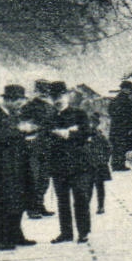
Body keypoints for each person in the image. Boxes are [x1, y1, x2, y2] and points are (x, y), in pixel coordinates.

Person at [0, 84, 39, 251]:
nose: (20, 106)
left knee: (17, 201)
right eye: (18, 103)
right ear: (8, 100)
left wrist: (27, 136)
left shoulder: (14, 116)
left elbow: (16, 136)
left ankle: (16, 235)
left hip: (16, 165)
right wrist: (21, 132)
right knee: (0, 204)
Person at [46, 88, 94, 243]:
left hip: (79, 164)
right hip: (58, 165)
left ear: (66, 96)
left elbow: (87, 132)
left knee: (81, 197)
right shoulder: (49, 116)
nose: (58, 99)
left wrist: (68, 133)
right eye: (54, 96)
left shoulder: (79, 114)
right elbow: (44, 138)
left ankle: (83, 232)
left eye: (60, 95)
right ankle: (66, 233)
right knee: (62, 200)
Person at [21, 80, 58, 218]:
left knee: (44, 178)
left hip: (47, 146)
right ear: (36, 91)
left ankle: (39, 204)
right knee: (33, 177)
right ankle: (32, 208)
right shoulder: (27, 107)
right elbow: (22, 126)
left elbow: (54, 126)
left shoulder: (50, 108)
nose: (43, 94)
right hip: (32, 147)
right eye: (41, 91)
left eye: (45, 91)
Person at [86, 103, 113, 214]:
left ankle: (100, 206)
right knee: (87, 187)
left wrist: (104, 159)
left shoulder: (100, 136)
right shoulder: (83, 136)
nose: (91, 125)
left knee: (99, 186)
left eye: (93, 123)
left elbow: (109, 147)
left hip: (99, 164)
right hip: (87, 164)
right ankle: (85, 206)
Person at [108, 80, 132, 171]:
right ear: (125, 89)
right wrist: (129, 126)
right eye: (129, 89)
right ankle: (120, 166)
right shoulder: (125, 100)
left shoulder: (115, 99)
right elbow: (128, 115)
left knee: (117, 146)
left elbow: (110, 111)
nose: (130, 91)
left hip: (115, 126)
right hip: (123, 127)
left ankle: (115, 164)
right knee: (121, 146)